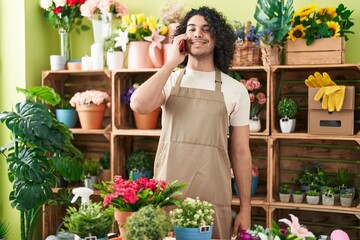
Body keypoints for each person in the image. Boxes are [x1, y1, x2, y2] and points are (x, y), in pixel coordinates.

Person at [130, 6, 252, 239]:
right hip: (168, 192)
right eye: (192, 29)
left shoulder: (235, 90)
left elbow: (241, 153)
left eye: (207, 30)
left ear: (218, 39)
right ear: (182, 38)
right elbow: (138, 104)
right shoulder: (170, 79)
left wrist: (246, 208)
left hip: (213, 193)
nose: (198, 34)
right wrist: (170, 63)